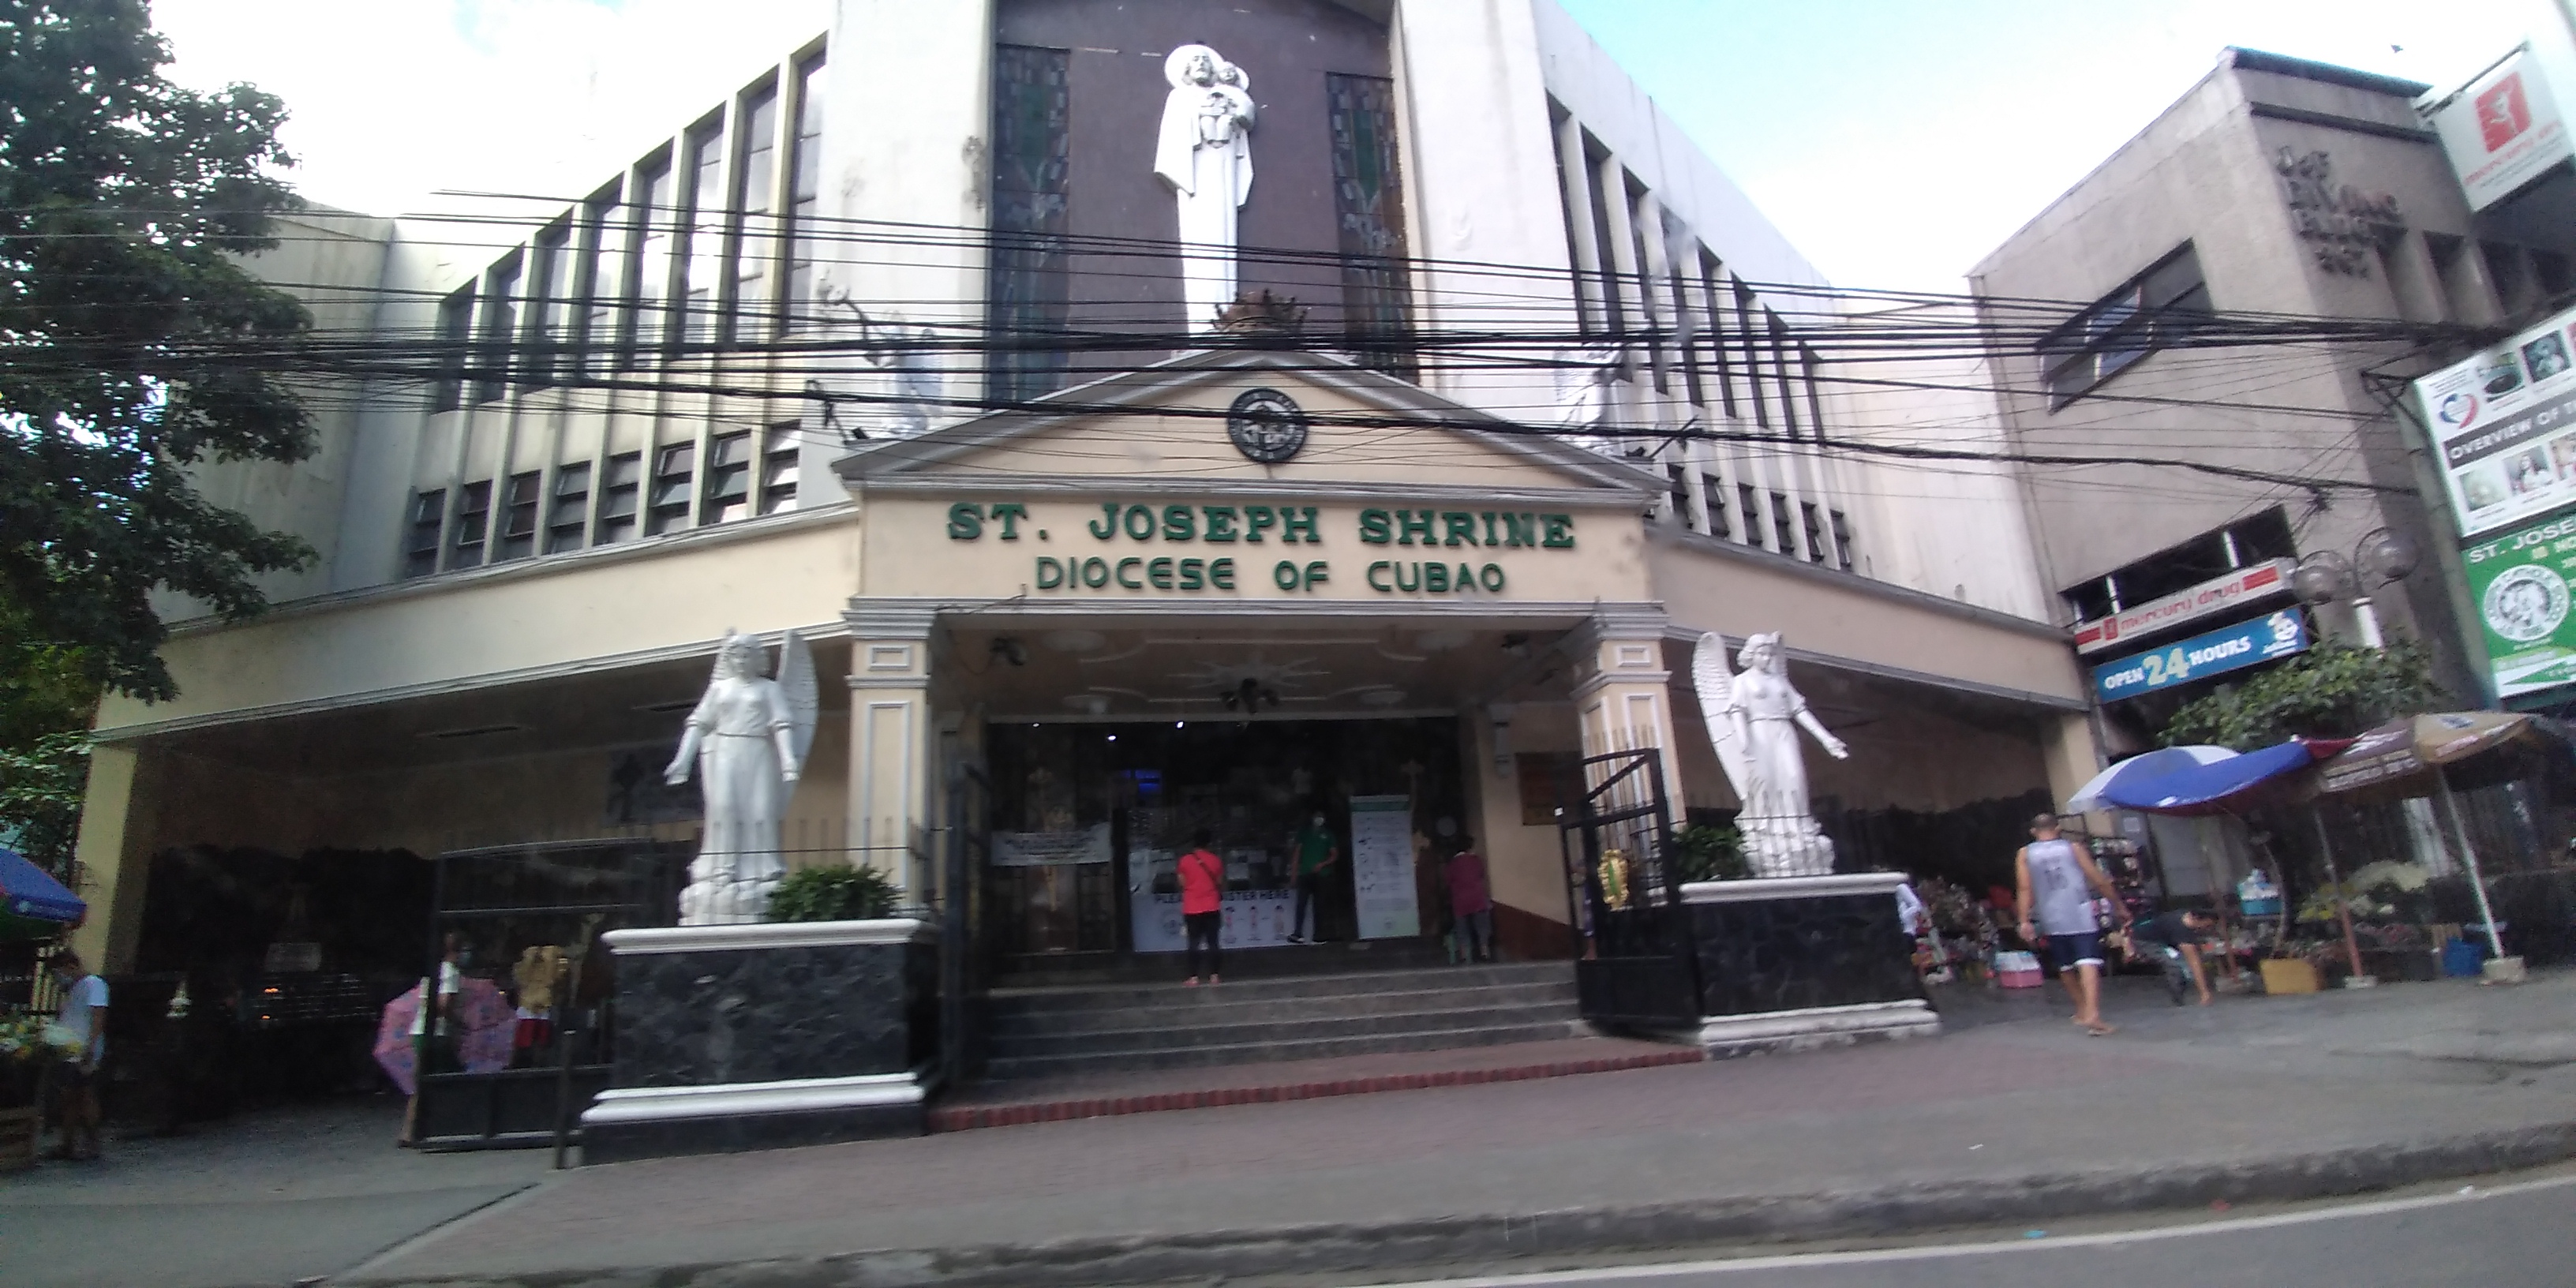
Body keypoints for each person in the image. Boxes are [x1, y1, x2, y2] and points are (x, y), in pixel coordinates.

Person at [2016, 813, 2131, 1035]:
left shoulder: (2024, 854)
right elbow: (2098, 879)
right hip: (2079, 912)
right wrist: (2118, 905)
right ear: (2057, 828)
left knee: (2065, 965)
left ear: (2033, 832)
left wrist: (2024, 919)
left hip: (2050, 916)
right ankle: (2094, 1015)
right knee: (2088, 961)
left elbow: (2024, 888)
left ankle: (2082, 1009)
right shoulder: (2073, 848)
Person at [43, 949, 108, 1161]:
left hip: (83, 1051)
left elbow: (98, 1017)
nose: (58, 977)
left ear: (70, 966)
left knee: (85, 1095)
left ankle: (91, 1142)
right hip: (70, 1050)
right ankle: (68, 1143)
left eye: (58, 971)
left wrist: (90, 1049)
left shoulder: (94, 984)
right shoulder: (74, 989)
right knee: (70, 1097)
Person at [2130, 908, 2218, 1005]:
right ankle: (2178, 1000)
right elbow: (2194, 962)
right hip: (2145, 941)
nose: (2207, 929)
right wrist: (2204, 992)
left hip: (2165, 941)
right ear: (2197, 919)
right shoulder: (2182, 932)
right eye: (2206, 925)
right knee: (2174, 967)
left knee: (2190, 961)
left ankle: (2184, 989)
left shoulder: (2185, 916)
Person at [1178, 829, 1226, 986]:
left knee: (1194, 942)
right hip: (1212, 906)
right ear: (1209, 843)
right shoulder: (1215, 860)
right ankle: (1214, 975)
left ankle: (1193, 977)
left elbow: (1182, 883)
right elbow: (1219, 882)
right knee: (1213, 942)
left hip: (1192, 907)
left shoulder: (1185, 861)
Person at [1286, 812, 1338, 944]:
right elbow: (1297, 854)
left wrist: (1322, 864)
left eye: (1321, 817)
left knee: (1319, 905)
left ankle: (1319, 935)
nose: (1318, 819)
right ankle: (1298, 933)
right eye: (1316, 816)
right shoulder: (1304, 833)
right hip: (1305, 873)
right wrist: (1293, 874)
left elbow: (1334, 855)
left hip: (1322, 875)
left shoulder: (1328, 834)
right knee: (1301, 904)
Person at [1446, 837, 1495, 964]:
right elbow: (1481, 875)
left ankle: (1463, 954)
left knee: (1462, 928)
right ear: (1470, 847)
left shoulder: (1453, 864)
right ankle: (1484, 952)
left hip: (1460, 900)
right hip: (1477, 898)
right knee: (1482, 926)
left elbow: (1449, 881)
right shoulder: (1476, 861)